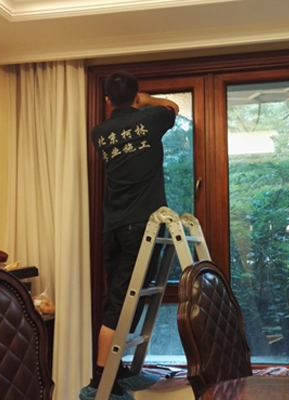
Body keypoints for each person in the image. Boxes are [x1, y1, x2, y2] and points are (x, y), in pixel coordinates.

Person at [80, 71, 180, 400]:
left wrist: (136, 101)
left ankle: (114, 367)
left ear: (108, 100)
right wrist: (147, 100)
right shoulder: (150, 119)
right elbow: (173, 106)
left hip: (113, 227)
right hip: (142, 225)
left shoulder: (98, 132)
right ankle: (100, 379)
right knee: (121, 304)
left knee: (121, 298)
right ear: (136, 97)